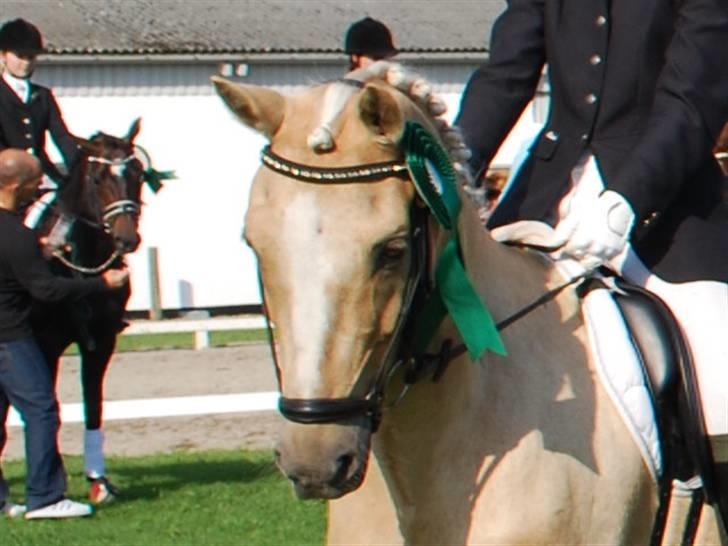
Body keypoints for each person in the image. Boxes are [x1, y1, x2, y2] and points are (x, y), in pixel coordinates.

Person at [456, 0, 728, 507]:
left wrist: (627, 200)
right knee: (456, 326)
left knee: (721, 387)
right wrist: (448, 170)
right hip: (545, 191)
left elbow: (692, 102)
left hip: (667, 204)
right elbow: (505, 75)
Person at [0, 149, 128, 519]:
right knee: (41, 412)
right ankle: (45, 498)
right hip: (11, 338)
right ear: (16, 185)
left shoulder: (14, 237)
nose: (37, 189)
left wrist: (38, 251)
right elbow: (47, 291)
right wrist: (101, 283)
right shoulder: (17, 235)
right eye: (33, 183)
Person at [0, 18, 79, 188]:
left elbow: (62, 137)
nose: (26, 63)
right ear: (3, 55)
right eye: (20, 56)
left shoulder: (43, 96)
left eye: (31, 57)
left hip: (43, 177)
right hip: (6, 182)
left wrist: (79, 168)